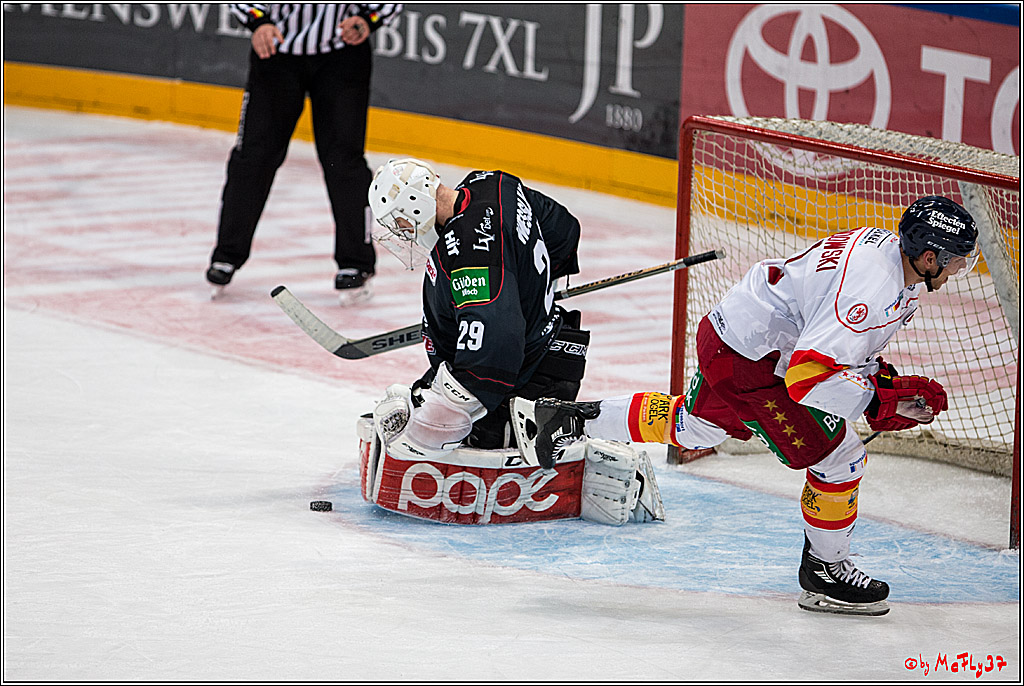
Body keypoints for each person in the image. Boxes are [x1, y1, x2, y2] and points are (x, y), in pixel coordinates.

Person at [511, 196, 980, 616]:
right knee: (841, 459)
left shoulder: (893, 260)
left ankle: (570, 420)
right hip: (754, 362)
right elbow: (807, 378)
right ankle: (825, 572)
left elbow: (839, 345)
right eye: (957, 260)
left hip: (733, 335)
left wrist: (883, 380)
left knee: (697, 428)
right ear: (928, 256)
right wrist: (876, 400)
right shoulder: (872, 289)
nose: (961, 268)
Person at [366, 157, 591, 460]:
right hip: (554, 350)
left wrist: (431, 426)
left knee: (411, 439)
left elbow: (491, 360)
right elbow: (563, 230)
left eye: (400, 221)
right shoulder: (492, 184)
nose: (403, 232)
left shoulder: (470, 250)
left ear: (414, 203)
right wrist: (527, 285)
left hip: (526, 388)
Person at [206, 3, 402, 304]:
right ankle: (227, 254)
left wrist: (369, 18)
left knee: (344, 162)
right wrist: (257, 20)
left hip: (342, 56)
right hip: (275, 54)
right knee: (253, 157)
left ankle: (356, 263)